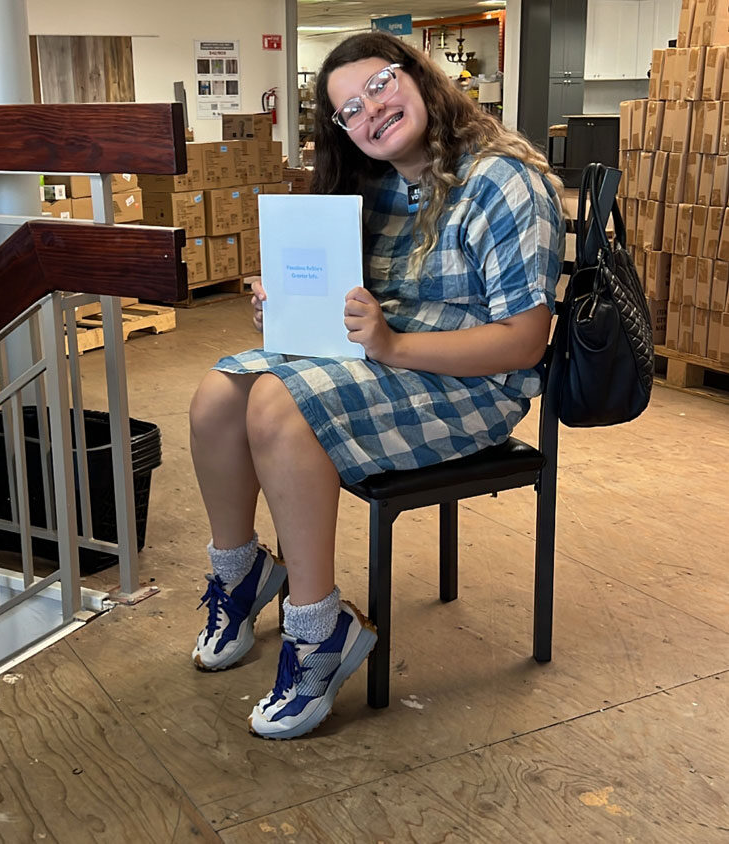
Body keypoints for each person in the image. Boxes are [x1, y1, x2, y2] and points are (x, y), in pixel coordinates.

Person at [188, 31, 564, 740]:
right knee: (218, 394)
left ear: (417, 76)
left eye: (380, 85)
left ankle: (317, 630)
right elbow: (351, 301)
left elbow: (524, 341)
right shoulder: (373, 182)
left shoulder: (501, 180)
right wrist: (287, 307)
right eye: (350, 109)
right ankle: (241, 573)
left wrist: (391, 343)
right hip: (383, 360)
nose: (372, 110)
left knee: (277, 402)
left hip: (473, 385)